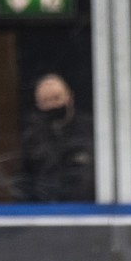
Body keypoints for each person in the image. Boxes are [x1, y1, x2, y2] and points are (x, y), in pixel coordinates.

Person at [14, 72, 94, 202]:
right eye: (46, 101)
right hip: (46, 211)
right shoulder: (32, 138)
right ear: (38, 105)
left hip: (84, 209)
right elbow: (24, 180)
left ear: (70, 98)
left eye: (57, 98)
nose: (53, 105)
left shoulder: (92, 130)